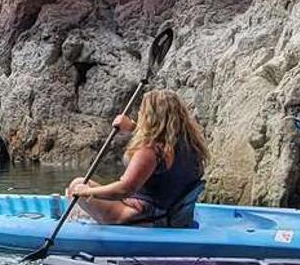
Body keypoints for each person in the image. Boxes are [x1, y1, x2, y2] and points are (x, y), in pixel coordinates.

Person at [65, 89, 209, 226]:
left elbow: (123, 190)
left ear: (149, 117)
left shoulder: (151, 151)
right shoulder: (192, 146)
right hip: (171, 214)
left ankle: (84, 221)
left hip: (145, 217)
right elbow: (159, 136)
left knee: (77, 184)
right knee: (82, 186)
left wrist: (87, 192)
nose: (140, 114)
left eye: (142, 112)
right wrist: (133, 128)